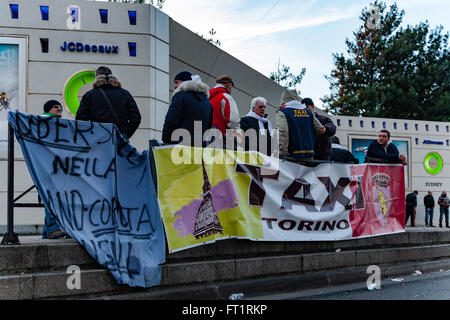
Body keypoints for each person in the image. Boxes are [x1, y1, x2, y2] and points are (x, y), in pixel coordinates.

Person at [76, 66, 141, 139]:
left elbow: (80, 120)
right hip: (119, 140)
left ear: (97, 78)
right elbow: (136, 118)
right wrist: (125, 134)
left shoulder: (90, 95)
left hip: (98, 139)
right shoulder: (125, 94)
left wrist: (90, 136)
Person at [162, 71, 212, 147]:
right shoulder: (207, 103)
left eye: (176, 82)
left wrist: (166, 139)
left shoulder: (180, 96)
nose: (175, 86)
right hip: (198, 148)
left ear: (185, 82)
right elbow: (208, 128)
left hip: (180, 146)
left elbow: (171, 121)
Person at [41, 100, 68, 239]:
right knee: (52, 195)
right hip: (50, 166)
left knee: (52, 196)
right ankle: (52, 228)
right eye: (55, 107)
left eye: (60, 107)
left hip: (55, 166)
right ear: (48, 109)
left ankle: (49, 232)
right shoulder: (45, 122)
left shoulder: (58, 125)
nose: (59, 109)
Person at [276, 89, 323, 161]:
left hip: (292, 156)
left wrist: (282, 153)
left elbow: (283, 132)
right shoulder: (309, 112)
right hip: (309, 154)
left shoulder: (282, 112)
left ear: (283, 100)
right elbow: (320, 129)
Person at [209, 74, 240, 148]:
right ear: (227, 84)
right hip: (222, 138)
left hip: (207, 136)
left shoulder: (207, 97)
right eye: (231, 86)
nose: (231, 89)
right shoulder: (226, 97)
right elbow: (233, 121)